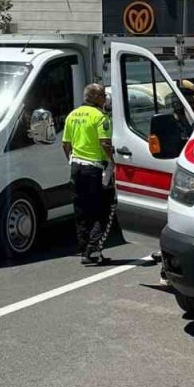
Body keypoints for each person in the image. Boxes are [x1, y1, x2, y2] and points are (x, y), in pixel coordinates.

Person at [62, 83, 115, 265]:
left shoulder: (72, 115)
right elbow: (105, 143)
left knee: (81, 211)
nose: (105, 99)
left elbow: (65, 144)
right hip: (94, 169)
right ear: (96, 98)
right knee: (102, 209)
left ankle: (85, 252)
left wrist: (72, 160)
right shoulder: (101, 117)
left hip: (76, 167)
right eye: (103, 95)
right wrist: (113, 163)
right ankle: (94, 248)